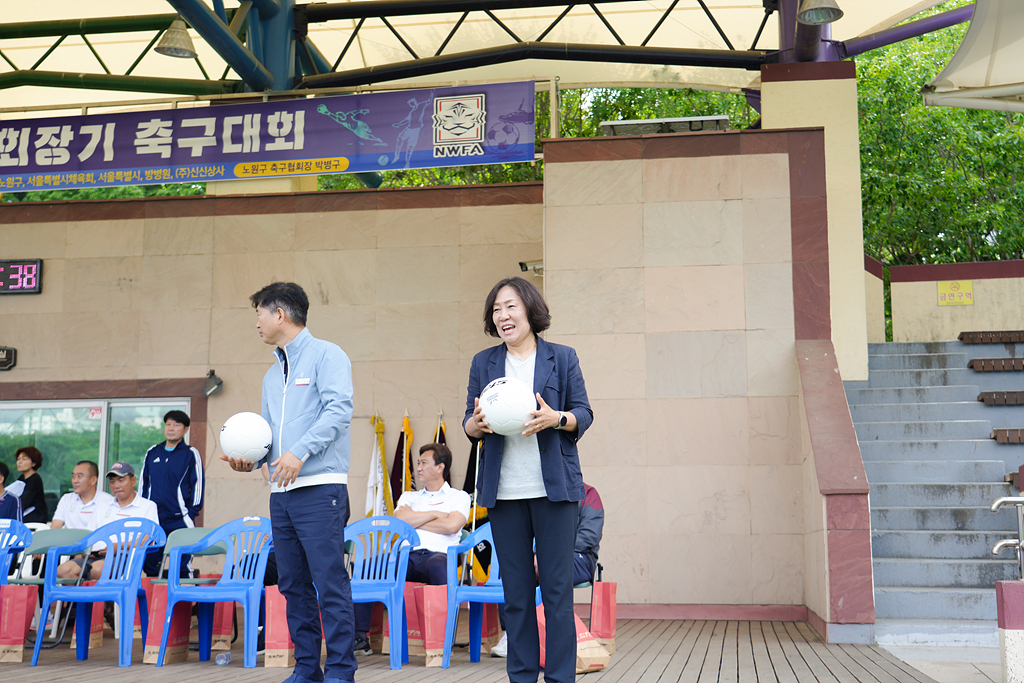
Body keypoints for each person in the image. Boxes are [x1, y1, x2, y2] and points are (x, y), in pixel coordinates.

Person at [221, 281, 356, 683]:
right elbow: (268, 438)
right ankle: (306, 670)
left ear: (280, 314)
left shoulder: (327, 355)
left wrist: (300, 452)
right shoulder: (270, 375)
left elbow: (339, 411)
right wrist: (252, 461)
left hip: (321, 489)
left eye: (259, 314)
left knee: (329, 584)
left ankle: (341, 673)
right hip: (281, 495)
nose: (257, 323)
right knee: (293, 585)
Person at [464, 276, 593, 683]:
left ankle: (559, 678)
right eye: (496, 310)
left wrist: (558, 418)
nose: (503, 316)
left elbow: (583, 414)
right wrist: (474, 424)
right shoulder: (483, 363)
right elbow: (468, 424)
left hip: (555, 493)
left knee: (556, 595)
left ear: (530, 310)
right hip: (504, 495)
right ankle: (521, 677)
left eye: (510, 307)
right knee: (515, 597)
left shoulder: (562, 356)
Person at [351, 443, 471, 655]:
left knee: (439, 568)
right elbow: (400, 521)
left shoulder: (458, 496)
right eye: (418, 463)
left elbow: (453, 526)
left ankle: (441, 640)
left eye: (424, 463)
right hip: (405, 555)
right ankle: (360, 637)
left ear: (440, 467)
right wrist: (437, 514)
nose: (419, 468)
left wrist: (415, 520)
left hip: (438, 556)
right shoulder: (409, 497)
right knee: (369, 566)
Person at [492, 482, 605, 658]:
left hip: (580, 558)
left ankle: (552, 642)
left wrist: (545, 554)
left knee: (549, 570)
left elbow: (589, 535)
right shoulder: (543, 492)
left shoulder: (589, 494)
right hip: (542, 556)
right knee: (512, 570)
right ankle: (511, 633)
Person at [139, 410, 204, 575]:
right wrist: (142, 512)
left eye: (177, 425)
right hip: (154, 520)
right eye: (168, 424)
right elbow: (143, 484)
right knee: (150, 565)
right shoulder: (153, 452)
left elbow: (198, 485)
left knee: (182, 566)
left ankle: (188, 600)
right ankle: (154, 601)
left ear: (186, 429)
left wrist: (191, 513)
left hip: (180, 520)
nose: (171, 428)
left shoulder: (190, 454)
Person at [89, 461, 160, 578]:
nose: (116, 486)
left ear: (133, 481)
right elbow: (90, 533)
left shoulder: (147, 506)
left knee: (98, 569)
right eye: (112, 482)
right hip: (95, 555)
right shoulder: (103, 505)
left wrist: (119, 546)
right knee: (64, 570)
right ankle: (78, 596)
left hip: (124, 557)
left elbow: (149, 540)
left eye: (121, 480)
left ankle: (98, 595)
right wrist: (85, 551)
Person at [51, 460, 115, 580]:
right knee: (55, 569)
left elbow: (108, 533)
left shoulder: (108, 501)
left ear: (93, 480)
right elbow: (55, 528)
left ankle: (87, 598)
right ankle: (71, 599)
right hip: (72, 552)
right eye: (73, 476)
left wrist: (87, 548)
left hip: (99, 553)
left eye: (80, 476)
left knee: (97, 570)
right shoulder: (67, 499)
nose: (75, 480)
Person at [15, 446, 47, 523]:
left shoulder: (35, 479)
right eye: (18, 459)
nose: (19, 462)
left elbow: (23, 502)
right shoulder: (22, 478)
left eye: (24, 459)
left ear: (33, 463)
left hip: (34, 521)